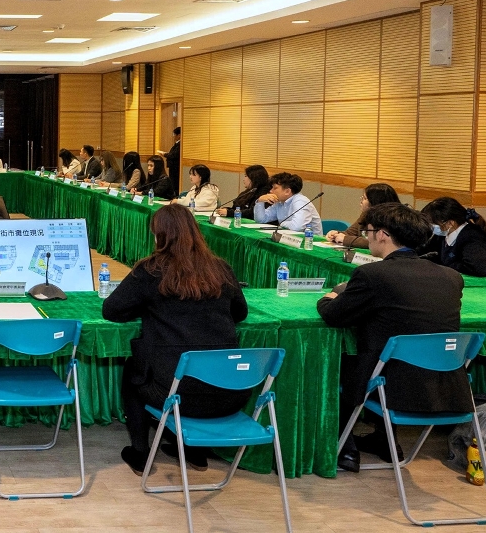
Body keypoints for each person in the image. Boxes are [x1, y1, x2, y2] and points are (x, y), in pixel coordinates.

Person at [317, 202, 474, 471]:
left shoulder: (373, 274)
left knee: (339, 361)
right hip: (447, 386)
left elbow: (334, 316)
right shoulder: (451, 277)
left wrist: (330, 296)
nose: (367, 237)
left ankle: (345, 445)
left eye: (368, 232)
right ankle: (385, 440)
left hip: (391, 385)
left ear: (382, 234)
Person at [102, 204, 250, 474]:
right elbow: (240, 312)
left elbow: (111, 310)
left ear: (160, 236)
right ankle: (195, 452)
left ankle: (141, 453)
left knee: (135, 372)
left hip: (175, 394)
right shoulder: (220, 268)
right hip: (231, 393)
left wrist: (146, 307)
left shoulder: (150, 270)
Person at [419, 197, 486, 279]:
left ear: (450, 223)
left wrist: (444, 266)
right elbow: (426, 250)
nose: (430, 227)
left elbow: (477, 268)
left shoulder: (473, 238)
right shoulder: (443, 234)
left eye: (432, 224)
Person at [326, 183, 401, 248]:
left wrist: (346, 239)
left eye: (365, 198)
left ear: (375, 202)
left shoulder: (392, 220)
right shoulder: (365, 215)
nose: (361, 201)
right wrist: (336, 235)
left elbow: (376, 242)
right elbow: (350, 233)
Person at [253, 172, 322, 233]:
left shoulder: (300, 201)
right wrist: (260, 201)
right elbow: (261, 219)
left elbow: (297, 227)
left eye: (275, 188)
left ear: (287, 191)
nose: (271, 191)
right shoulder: (279, 202)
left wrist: (282, 223)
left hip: (311, 240)